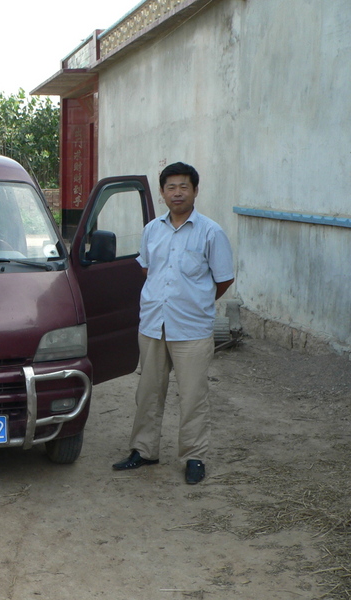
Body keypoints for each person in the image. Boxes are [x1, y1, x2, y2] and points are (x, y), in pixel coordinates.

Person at [112, 162, 234, 484]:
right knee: (148, 391)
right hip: (153, 324)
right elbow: (146, 270)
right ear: (162, 192)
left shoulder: (211, 232)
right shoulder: (152, 230)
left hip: (191, 328)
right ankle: (144, 450)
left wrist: (196, 301)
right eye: (171, 187)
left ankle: (194, 457)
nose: (177, 192)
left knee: (193, 396)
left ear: (195, 190)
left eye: (184, 186)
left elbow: (223, 280)